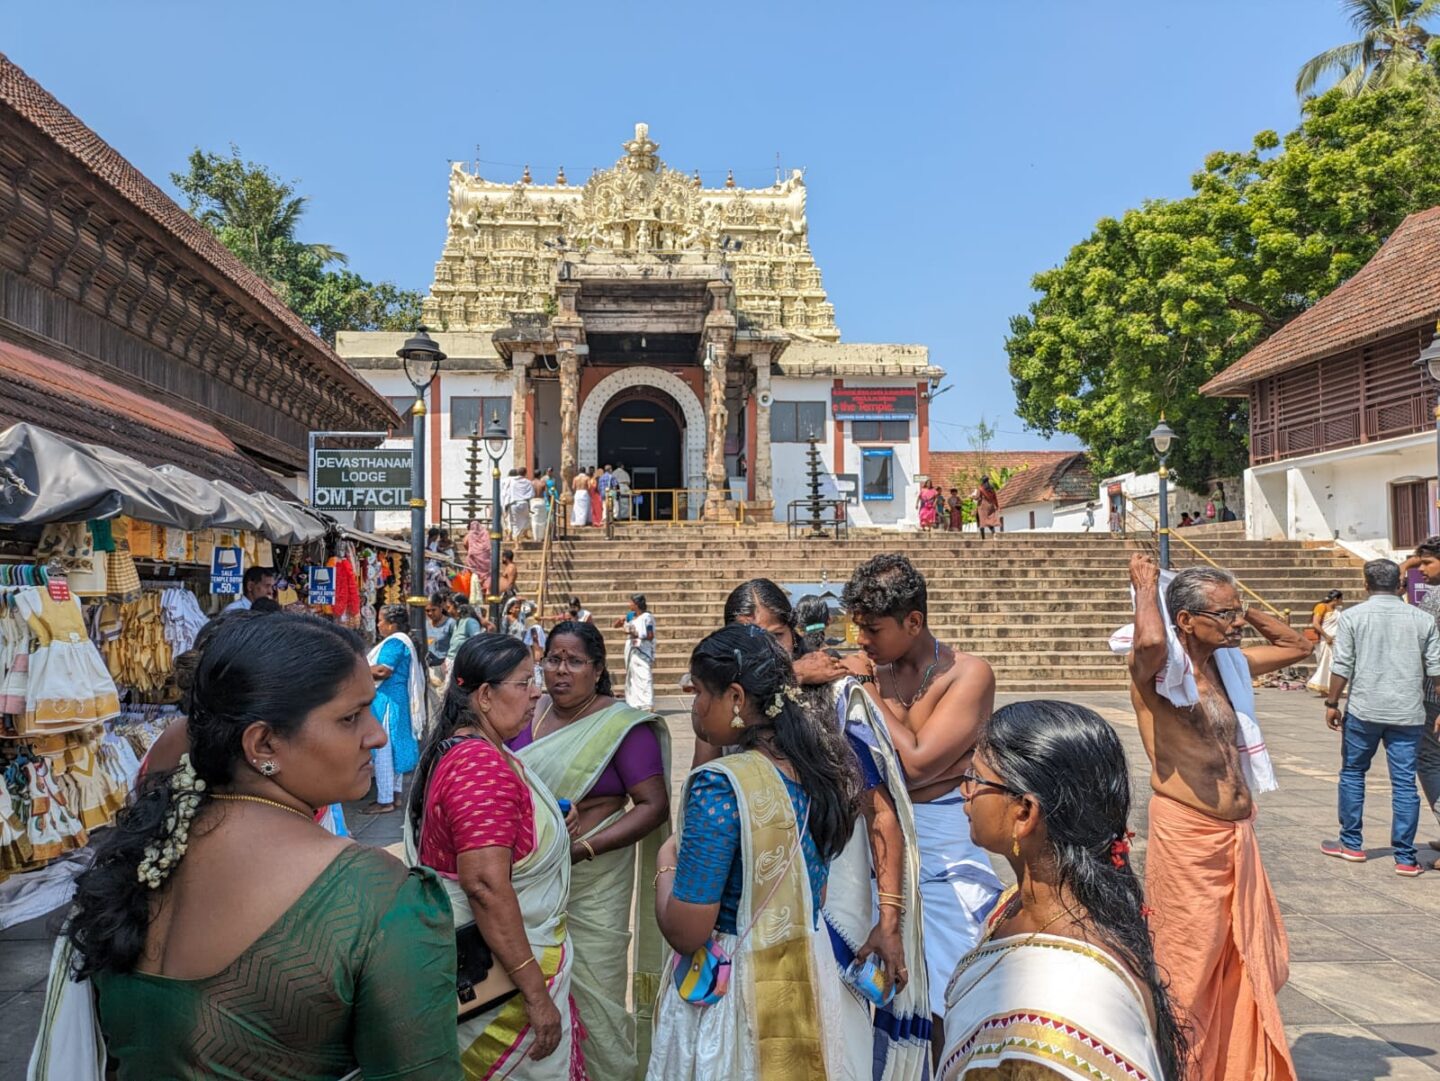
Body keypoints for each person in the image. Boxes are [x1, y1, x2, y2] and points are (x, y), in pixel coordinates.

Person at [57, 614, 459, 1080]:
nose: (377, 734)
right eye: (350, 718)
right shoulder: (380, 897)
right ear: (264, 744)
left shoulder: (145, 853)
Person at [718, 580, 930, 1078]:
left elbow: (881, 815)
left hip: (835, 908)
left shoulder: (836, 698)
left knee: (839, 1048)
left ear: (795, 635)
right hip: (752, 913)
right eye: (744, 640)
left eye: (775, 639)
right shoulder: (727, 706)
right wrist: (783, 677)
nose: (762, 652)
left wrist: (890, 923)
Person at [1125, 554, 1309, 1081]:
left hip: (1237, 835)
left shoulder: (1229, 665)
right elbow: (1150, 643)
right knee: (1189, 960)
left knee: (1240, 959)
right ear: (1185, 619)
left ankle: (1231, 1065)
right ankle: (1182, 1063)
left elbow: (1298, 647)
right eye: (1223, 615)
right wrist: (1145, 589)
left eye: (1235, 614)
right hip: (1187, 833)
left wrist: (1241, 610)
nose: (1233, 623)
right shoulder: (1157, 675)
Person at [649, 623, 862, 1080]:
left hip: (733, 991)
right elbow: (814, 895)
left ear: (737, 698)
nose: (696, 707)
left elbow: (688, 931)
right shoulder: (817, 768)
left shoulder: (720, 786)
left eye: (702, 692)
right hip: (804, 971)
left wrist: (665, 863)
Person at [938, 701, 1184, 1081]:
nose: (964, 791)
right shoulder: (1013, 905)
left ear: (1024, 813)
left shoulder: (1066, 995)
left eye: (976, 778)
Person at [408, 633, 586, 1078]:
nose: (537, 692)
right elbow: (485, 886)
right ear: (485, 696)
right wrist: (535, 995)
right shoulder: (479, 764)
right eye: (524, 683)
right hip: (502, 984)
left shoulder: (482, 751)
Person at [841, 554, 1004, 1030]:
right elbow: (911, 765)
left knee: (948, 997)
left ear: (914, 622)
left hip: (947, 844)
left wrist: (865, 690)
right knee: (877, 996)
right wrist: (943, 764)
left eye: (872, 630)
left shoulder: (969, 674)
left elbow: (908, 766)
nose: (862, 642)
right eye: (858, 630)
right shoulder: (873, 662)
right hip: (872, 842)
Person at [511, 620, 671, 1081]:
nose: (561, 671)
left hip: (592, 882)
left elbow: (654, 806)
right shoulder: (529, 710)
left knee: (595, 995)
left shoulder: (620, 726)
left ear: (597, 669)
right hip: (528, 882)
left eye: (574, 662)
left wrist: (582, 848)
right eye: (553, 660)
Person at [1322, 559, 1440, 877]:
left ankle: (1351, 844)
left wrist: (1332, 702)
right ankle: (1405, 856)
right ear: (1399, 584)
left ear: (1365, 584)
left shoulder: (1352, 617)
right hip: (1409, 713)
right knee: (1404, 783)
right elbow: (1436, 669)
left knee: (1352, 774)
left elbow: (1342, 665)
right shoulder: (1421, 618)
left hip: (1364, 711)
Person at [364, 604, 424, 815]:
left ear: (392, 624)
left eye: (380, 620)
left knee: (383, 750)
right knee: (393, 748)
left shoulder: (395, 642)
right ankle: (395, 796)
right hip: (396, 701)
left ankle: (385, 800)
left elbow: (383, 670)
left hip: (388, 702)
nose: (378, 624)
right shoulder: (401, 642)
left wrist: (356, 667)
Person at [1404, 536, 1440, 862]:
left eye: (1426, 563)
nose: (1421, 570)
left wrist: (1404, 568)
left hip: (1435, 694)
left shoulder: (1435, 599)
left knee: (1429, 761)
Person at [615, 594, 655, 710]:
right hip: (631, 649)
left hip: (642, 650)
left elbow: (650, 635)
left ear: (636, 604)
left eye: (631, 602)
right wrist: (621, 621)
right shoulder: (631, 616)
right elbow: (616, 625)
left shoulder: (647, 617)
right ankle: (635, 703)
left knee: (644, 675)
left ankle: (647, 703)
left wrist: (635, 633)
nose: (629, 604)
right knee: (632, 676)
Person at [1305, 588, 1344, 695]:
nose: (1342, 601)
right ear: (1336, 599)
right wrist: (1326, 636)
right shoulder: (1321, 607)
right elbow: (1316, 623)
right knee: (1324, 663)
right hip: (1325, 639)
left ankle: (1331, 688)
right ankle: (1323, 688)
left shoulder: (1338, 610)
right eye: (1341, 599)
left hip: (1336, 640)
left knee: (1334, 664)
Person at [446, 593, 484, 675]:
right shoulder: (457, 623)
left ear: (458, 607)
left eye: (449, 607)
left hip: (463, 665)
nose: (448, 611)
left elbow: (478, 643)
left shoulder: (470, 622)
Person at [426, 592, 456, 668]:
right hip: (429, 666)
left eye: (433, 610)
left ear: (441, 608)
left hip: (445, 667)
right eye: (427, 610)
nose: (430, 613)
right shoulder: (425, 625)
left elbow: (456, 646)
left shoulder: (451, 624)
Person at [464, 519, 493, 592]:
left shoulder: (470, 534)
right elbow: (489, 545)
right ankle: (487, 590)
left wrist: (469, 549)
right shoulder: (485, 533)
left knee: (472, 570)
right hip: (485, 559)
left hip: (473, 559)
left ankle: (474, 590)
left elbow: (464, 543)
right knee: (487, 574)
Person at [512, 468, 536, 542]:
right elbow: (532, 494)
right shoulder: (528, 482)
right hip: (524, 503)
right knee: (526, 520)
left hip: (514, 503)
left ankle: (517, 543)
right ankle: (524, 534)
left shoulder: (512, 482)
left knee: (516, 523)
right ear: (525, 473)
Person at [501, 470, 518, 540]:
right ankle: (510, 534)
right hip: (514, 501)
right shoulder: (517, 481)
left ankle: (508, 533)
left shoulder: (503, 481)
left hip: (505, 501)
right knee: (512, 519)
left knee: (505, 519)